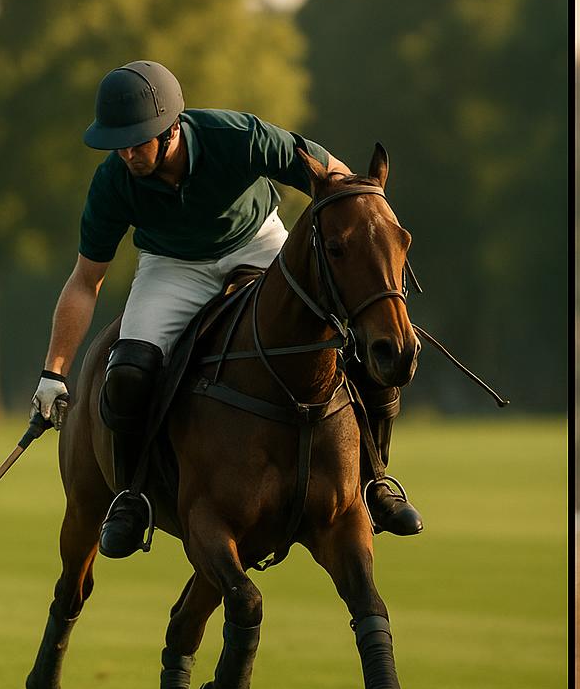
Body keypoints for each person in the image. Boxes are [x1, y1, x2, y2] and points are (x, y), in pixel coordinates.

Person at [29, 60, 423, 558]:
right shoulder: (113, 182)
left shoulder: (238, 137)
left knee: (347, 343)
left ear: (172, 128)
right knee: (127, 373)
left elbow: (333, 175)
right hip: (171, 265)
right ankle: (131, 497)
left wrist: (369, 235)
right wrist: (54, 372)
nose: (127, 151)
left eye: (138, 139)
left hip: (256, 244)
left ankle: (375, 482)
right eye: (118, 142)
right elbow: (86, 281)